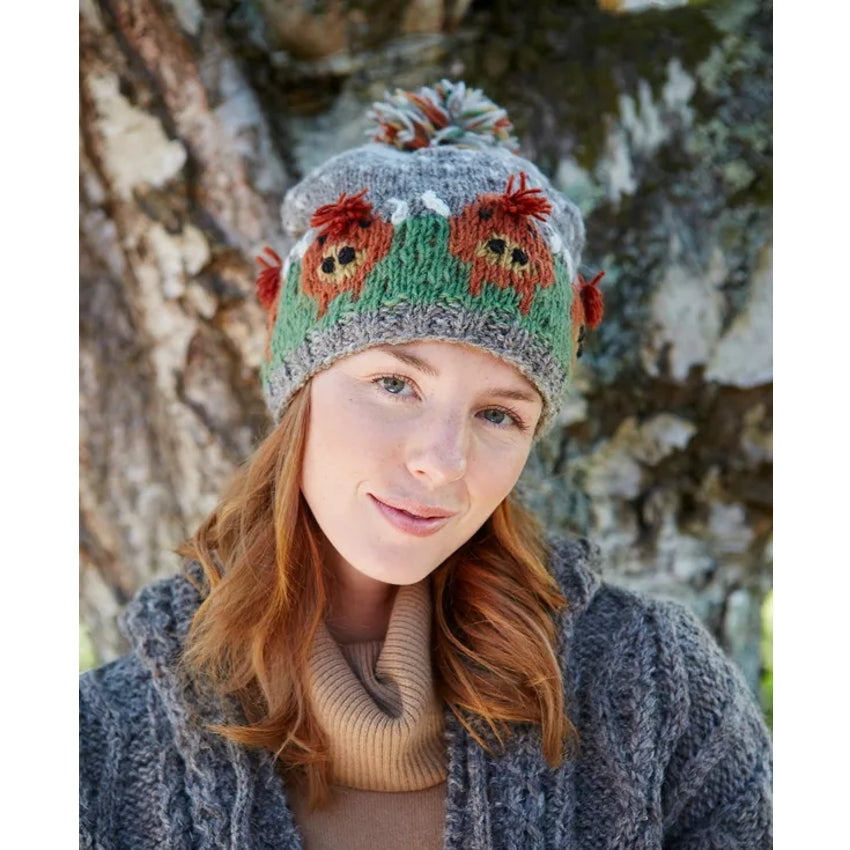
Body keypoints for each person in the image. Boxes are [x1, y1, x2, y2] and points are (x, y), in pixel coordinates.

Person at [79, 80, 772, 849]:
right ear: (299, 390)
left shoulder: (654, 693)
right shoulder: (96, 750)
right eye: (394, 384)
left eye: (499, 414)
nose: (443, 463)